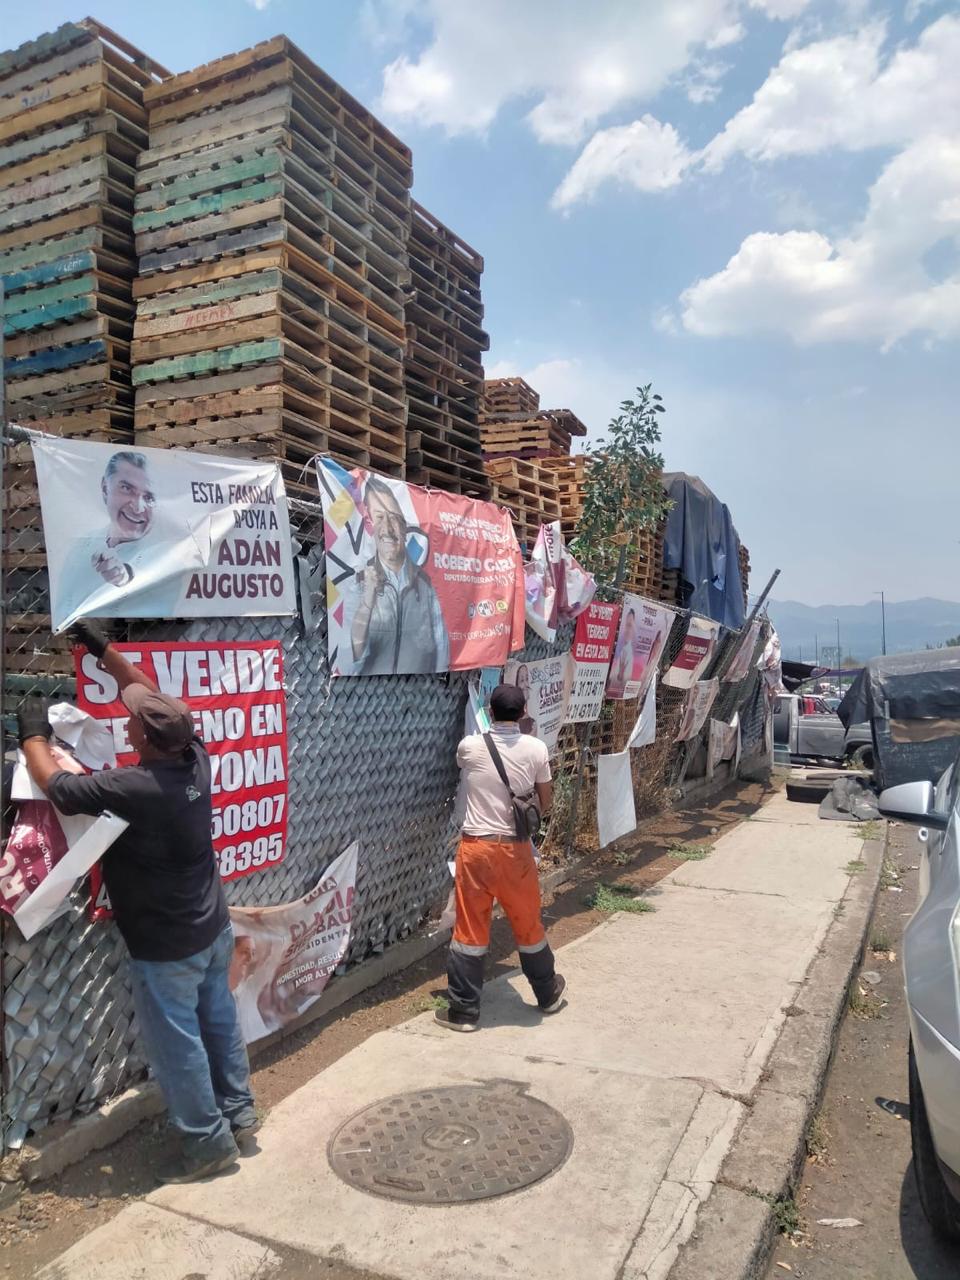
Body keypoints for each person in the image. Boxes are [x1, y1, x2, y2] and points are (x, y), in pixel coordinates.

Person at [17, 618, 258, 1185]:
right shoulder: (192, 754)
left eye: (132, 727)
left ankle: (207, 1145)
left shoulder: (136, 787)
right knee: (218, 1021)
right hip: (210, 927)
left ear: (147, 740)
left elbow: (59, 788)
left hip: (166, 944)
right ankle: (239, 1114)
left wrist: (31, 735)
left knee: (178, 1047)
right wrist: (102, 648)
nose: (128, 728)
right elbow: (144, 691)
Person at [438, 683, 566, 1032]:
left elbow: (462, 765)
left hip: (476, 849)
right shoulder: (536, 749)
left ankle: (464, 1012)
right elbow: (546, 800)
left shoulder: (470, 746)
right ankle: (547, 994)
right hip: (515, 850)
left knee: (469, 930)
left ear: (490, 713)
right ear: (523, 713)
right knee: (527, 924)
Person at [54, 452, 191, 631]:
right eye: (127, 489)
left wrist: (124, 574)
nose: (138, 507)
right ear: (105, 488)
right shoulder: (79, 548)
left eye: (149, 497)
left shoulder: (170, 553)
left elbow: (152, 577)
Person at [343, 474, 450, 674]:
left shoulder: (425, 587)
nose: (388, 528)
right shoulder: (358, 585)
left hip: (422, 693)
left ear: (404, 526)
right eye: (379, 517)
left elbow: (442, 649)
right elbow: (352, 656)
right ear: (370, 526)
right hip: (369, 697)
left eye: (394, 517)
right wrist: (368, 601)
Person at [607, 608, 637, 697]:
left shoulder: (629, 654)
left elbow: (622, 684)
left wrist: (620, 673)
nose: (626, 629)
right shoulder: (620, 646)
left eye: (629, 625)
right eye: (625, 625)